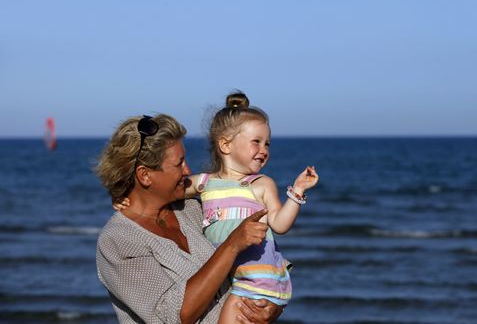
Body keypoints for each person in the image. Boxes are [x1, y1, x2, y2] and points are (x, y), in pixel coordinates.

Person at [115, 92, 319, 323]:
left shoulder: (260, 184)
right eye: (256, 142)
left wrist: (297, 192)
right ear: (225, 144)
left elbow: (280, 225)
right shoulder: (205, 185)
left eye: (267, 143)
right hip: (239, 282)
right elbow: (166, 188)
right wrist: (124, 196)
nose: (264, 150)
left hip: (258, 279)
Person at [95, 114, 282, 323]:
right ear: (145, 175)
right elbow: (172, 316)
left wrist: (272, 305)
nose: (188, 171)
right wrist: (231, 246)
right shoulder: (118, 240)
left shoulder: (193, 209)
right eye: (179, 164)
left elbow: (263, 257)